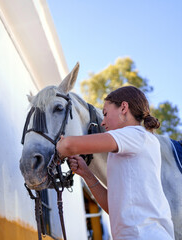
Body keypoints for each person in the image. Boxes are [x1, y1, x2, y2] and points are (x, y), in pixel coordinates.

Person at [56, 86, 174, 240]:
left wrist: (55, 145)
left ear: (123, 108)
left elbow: (68, 145)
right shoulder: (135, 143)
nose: (103, 122)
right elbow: (114, 209)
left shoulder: (135, 134)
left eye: (105, 114)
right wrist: (87, 174)